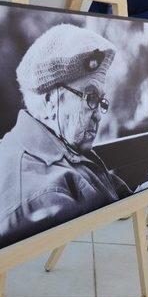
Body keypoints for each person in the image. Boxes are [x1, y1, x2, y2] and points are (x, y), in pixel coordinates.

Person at [0, 24, 133, 249]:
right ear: (51, 100)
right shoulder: (45, 193)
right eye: (90, 98)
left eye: (101, 102)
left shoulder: (60, 150)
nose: (98, 116)